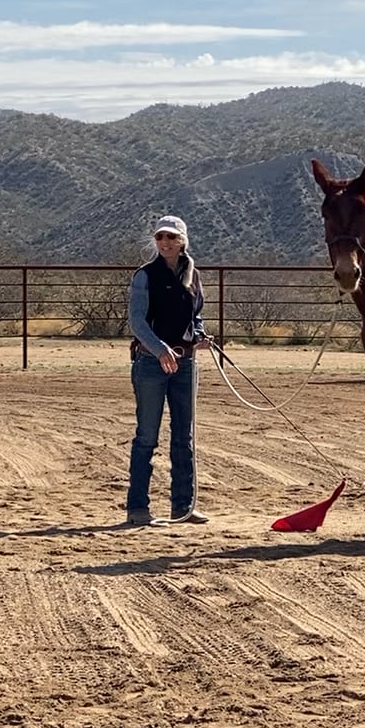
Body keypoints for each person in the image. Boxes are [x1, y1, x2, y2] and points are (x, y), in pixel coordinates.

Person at [125, 215, 213, 525]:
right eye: (161, 237)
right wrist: (161, 349)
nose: (165, 242)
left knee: (183, 437)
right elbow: (136, 321)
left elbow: (196, 315)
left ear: (182, 241)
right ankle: (137, 507)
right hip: (150, 363)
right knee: (146, 436)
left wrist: (199, 335)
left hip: (186, 364)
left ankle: (183, 506)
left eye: (171, 237)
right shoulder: (144, 276)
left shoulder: (193, 276)